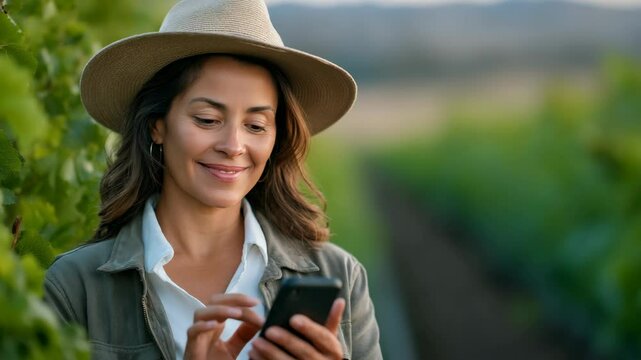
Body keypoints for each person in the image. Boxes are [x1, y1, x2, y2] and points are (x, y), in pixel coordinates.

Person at [43, 0, 382, 359]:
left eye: (255, 126)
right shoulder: (75, 287)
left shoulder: (340, 276)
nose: (234, 146)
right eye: (207, 119)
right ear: (157, 125)